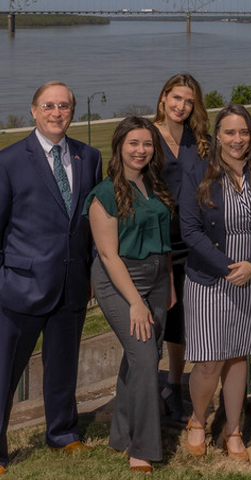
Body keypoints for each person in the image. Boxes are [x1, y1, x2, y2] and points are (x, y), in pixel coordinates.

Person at [0, 81, 102, 475]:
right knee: (5, 373)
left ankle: (62, 433)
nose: (57, 112)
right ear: (34, 111)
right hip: (19, 286)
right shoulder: (9, 161)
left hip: (72, 283)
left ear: (72, 111)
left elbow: (92, 223)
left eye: (64, 106)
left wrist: (90, 271)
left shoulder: (88, 157)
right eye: (49, 105)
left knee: (63, 368)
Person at [179, 104, 251, 462]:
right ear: (217, 135)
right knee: (209, 360)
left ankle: (234, 430)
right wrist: (227, 267)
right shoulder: (198, 172)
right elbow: (189, 230)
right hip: (211, 278)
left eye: (243, 132)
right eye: (229, 132)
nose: (237, 139)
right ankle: (197, 421)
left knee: (239, 356)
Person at [85, 117, 175, 474]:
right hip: (120, 280)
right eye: (134, 143)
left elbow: (164, 240)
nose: (141, 150)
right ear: (119, 146)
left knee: (144, 355)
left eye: (147, 144)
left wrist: (168, 280)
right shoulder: (104, 194)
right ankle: (142, 447)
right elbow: (108, 255)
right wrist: (136, 302)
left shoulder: (155, 185)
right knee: (144, 357)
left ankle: (121, 432)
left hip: (157, 277)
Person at [153, 72, 211, 423]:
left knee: (184, 321)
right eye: (176, 98)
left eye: (189, 101)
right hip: (157, 242)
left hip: (194, 240)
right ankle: (154, 389)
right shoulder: (146, 135)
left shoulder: (199, 140)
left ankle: (175, 385)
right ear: (163, 97)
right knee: (157, 320)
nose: (182, 106)